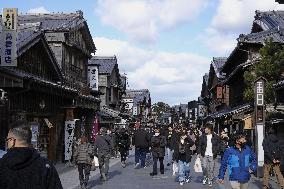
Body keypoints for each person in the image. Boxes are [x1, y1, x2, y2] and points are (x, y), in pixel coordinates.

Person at [0, 120, 63, 189]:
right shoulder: (46, 166)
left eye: (7, 140)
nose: (7, 143)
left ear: (12, 141)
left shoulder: (2, 164)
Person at [197, 123, 222, 187]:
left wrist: (216, 151)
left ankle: (210, 179)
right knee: (204, 167)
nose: (205, 129)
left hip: (212, 155)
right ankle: (205, 176)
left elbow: (219, 144)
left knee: (211, 169)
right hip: (204, 154)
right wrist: (199, 153)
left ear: (210, 129)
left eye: (206, 128)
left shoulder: (215, 136)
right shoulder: (202, 136)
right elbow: (199, 145)